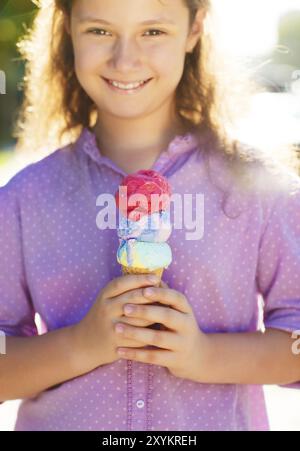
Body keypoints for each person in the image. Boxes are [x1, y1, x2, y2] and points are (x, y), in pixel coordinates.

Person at [0, 0, 300, 431]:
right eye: (100, 31)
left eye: (153, 31)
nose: (125, 59)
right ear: (68, 29)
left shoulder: (261, 189)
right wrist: (80, 346)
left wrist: (205, 355)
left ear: (194, 28)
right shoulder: (22, 200)